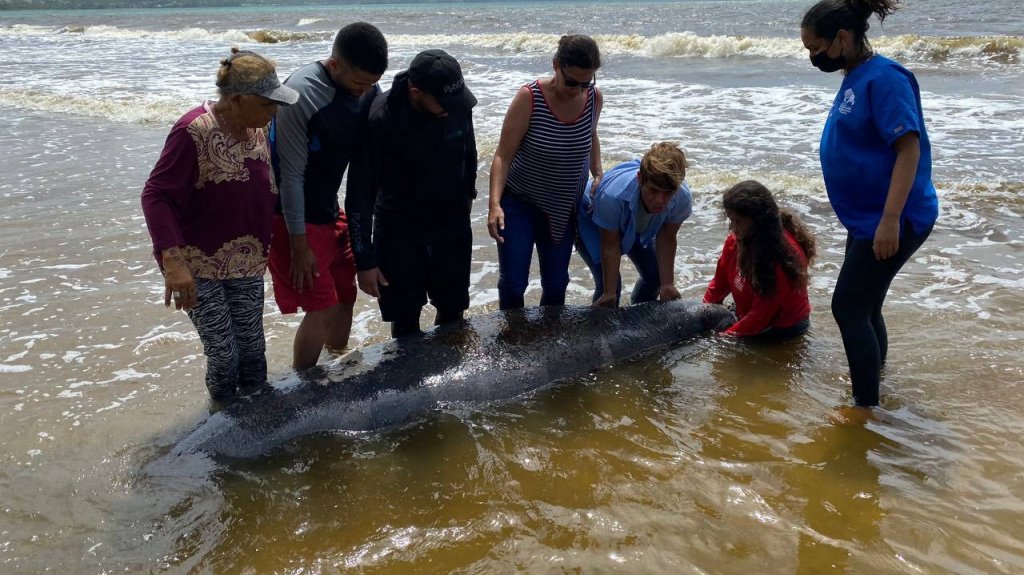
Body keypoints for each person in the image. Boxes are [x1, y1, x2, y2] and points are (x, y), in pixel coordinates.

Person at [801, 0, 939, 411]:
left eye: (816, 48)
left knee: (848, 307)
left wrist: (890, 219)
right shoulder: (856, 73)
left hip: (894, 216)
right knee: (866, 304)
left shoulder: (886, 78)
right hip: (867, 218)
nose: (813, 57)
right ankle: (875, 380)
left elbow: (908, 149)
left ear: (843, 38)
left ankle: (865, 408)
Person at [141, 49, 299, 402]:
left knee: (253, 354)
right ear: (238, 100)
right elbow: (156, 195)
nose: (274, 112)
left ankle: (258, 420)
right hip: (198, 266)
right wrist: (172, 262)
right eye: (268, 104)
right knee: (225, 357)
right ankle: (222, 422)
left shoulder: (258, 128)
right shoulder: (192, 131)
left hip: (247, 262)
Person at [268, 22, 388, 369]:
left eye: (372, 84)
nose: (365, 91)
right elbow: (290, 177)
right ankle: (304, 386)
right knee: (321, 307)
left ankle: (337, 364)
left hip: (329, 209)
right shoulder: (299, 95)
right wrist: (299, 245)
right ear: (335, 64)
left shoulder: (367, 87)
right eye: (359, 83)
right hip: (292, 216)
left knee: (345, 295)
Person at [347, 49, 478, 338]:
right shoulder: (380, 119)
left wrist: (469, 195)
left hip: (451, 227)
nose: (451, 110)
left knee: (453, 313)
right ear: (416, 93)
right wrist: (364, 260)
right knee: (404, 321)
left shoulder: (456, 104)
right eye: (444, 104)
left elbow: (468, 152)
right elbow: (360, 194)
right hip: (399, 232)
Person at [487, 34, 603, 310]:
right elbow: (503, 155)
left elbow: (591, 135)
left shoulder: (594, 97)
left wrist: (598, 173)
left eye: (585, 83)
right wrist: (494, 205)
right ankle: (511, 332)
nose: (577, 90)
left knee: (556, 283)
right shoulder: (530, 97)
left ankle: (549, 334)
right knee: (513, 283)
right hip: (520, 202)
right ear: (556, 65)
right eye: (571, 82)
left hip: (564, 207)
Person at [576, 142, 692, 307]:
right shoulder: (612, 197)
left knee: (655, 277)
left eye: (668, 193)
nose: (660, 200)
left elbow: (667, 237)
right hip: (592, 219)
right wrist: (609, 293)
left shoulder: (682, 197)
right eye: (653, 190)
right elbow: (610, 245)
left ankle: (639, 316)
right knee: (610, 287)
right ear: (640, 179)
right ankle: (600, 321)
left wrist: (668, 284)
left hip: (637, 222)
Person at [703, 181, 817, 339]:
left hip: (782, 327)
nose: (733, 228)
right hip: (749, 313)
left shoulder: (781, 259)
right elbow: (719, 284)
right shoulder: (735, 240)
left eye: (739, 221)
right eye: (731, 220)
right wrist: (704, 314)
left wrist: (722, 338)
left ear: (758, 221)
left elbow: (760, 317)